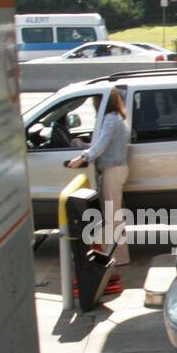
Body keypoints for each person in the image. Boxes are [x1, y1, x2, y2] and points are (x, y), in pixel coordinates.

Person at [66, 88, 131, 266]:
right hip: (115, 169)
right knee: (112, 214)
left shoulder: (110, 119)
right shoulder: (118, 118)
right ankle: (115, 254)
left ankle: (120, 257)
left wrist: (83, 157)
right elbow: (102, 142)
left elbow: (102, 144)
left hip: (113, 170)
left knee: (112, 215)